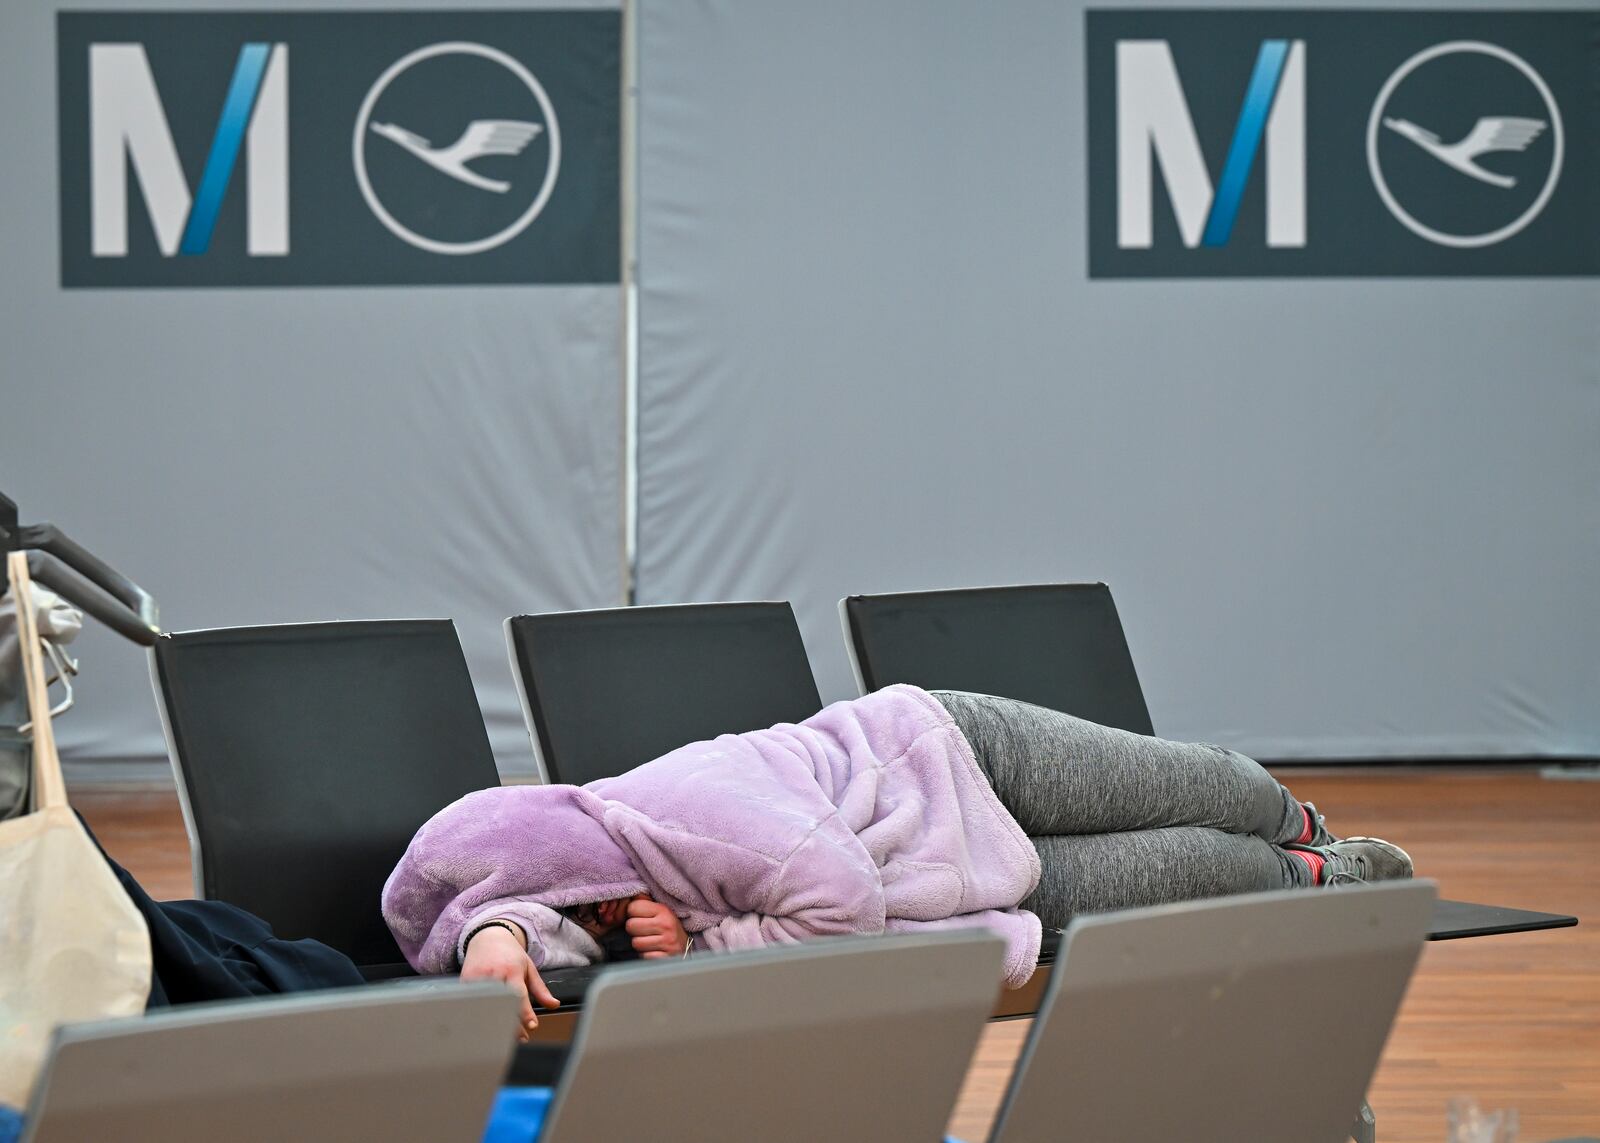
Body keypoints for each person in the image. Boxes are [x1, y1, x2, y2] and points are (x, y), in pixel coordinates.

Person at [382, 685, 1412, 1040]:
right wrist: (494, 935)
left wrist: (702, 944)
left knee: (1208, 787)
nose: (594, 928)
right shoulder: (584, 885)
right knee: (1206, 873)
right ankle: (1318, 879)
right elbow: (520, 907)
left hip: (956, 758)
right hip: (961, 891)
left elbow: (837, 902)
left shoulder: (678, 807)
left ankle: (1306, 825)